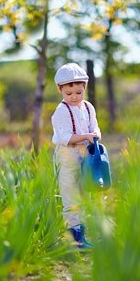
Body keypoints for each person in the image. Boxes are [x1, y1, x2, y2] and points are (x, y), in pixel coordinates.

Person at [51, 62, 101, 248]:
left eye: (79, 93)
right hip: (67, 155)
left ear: (84, 88)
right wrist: (85, 137)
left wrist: (95, 134)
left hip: (85, 154)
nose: (74, 97)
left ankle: (87, 229)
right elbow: (65, 137)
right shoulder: (61, 111)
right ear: (60, 90)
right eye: (69, 93)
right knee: (70, 191)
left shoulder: (88, 107)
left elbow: (94, 126)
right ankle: (75, 236)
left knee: (86, 189)